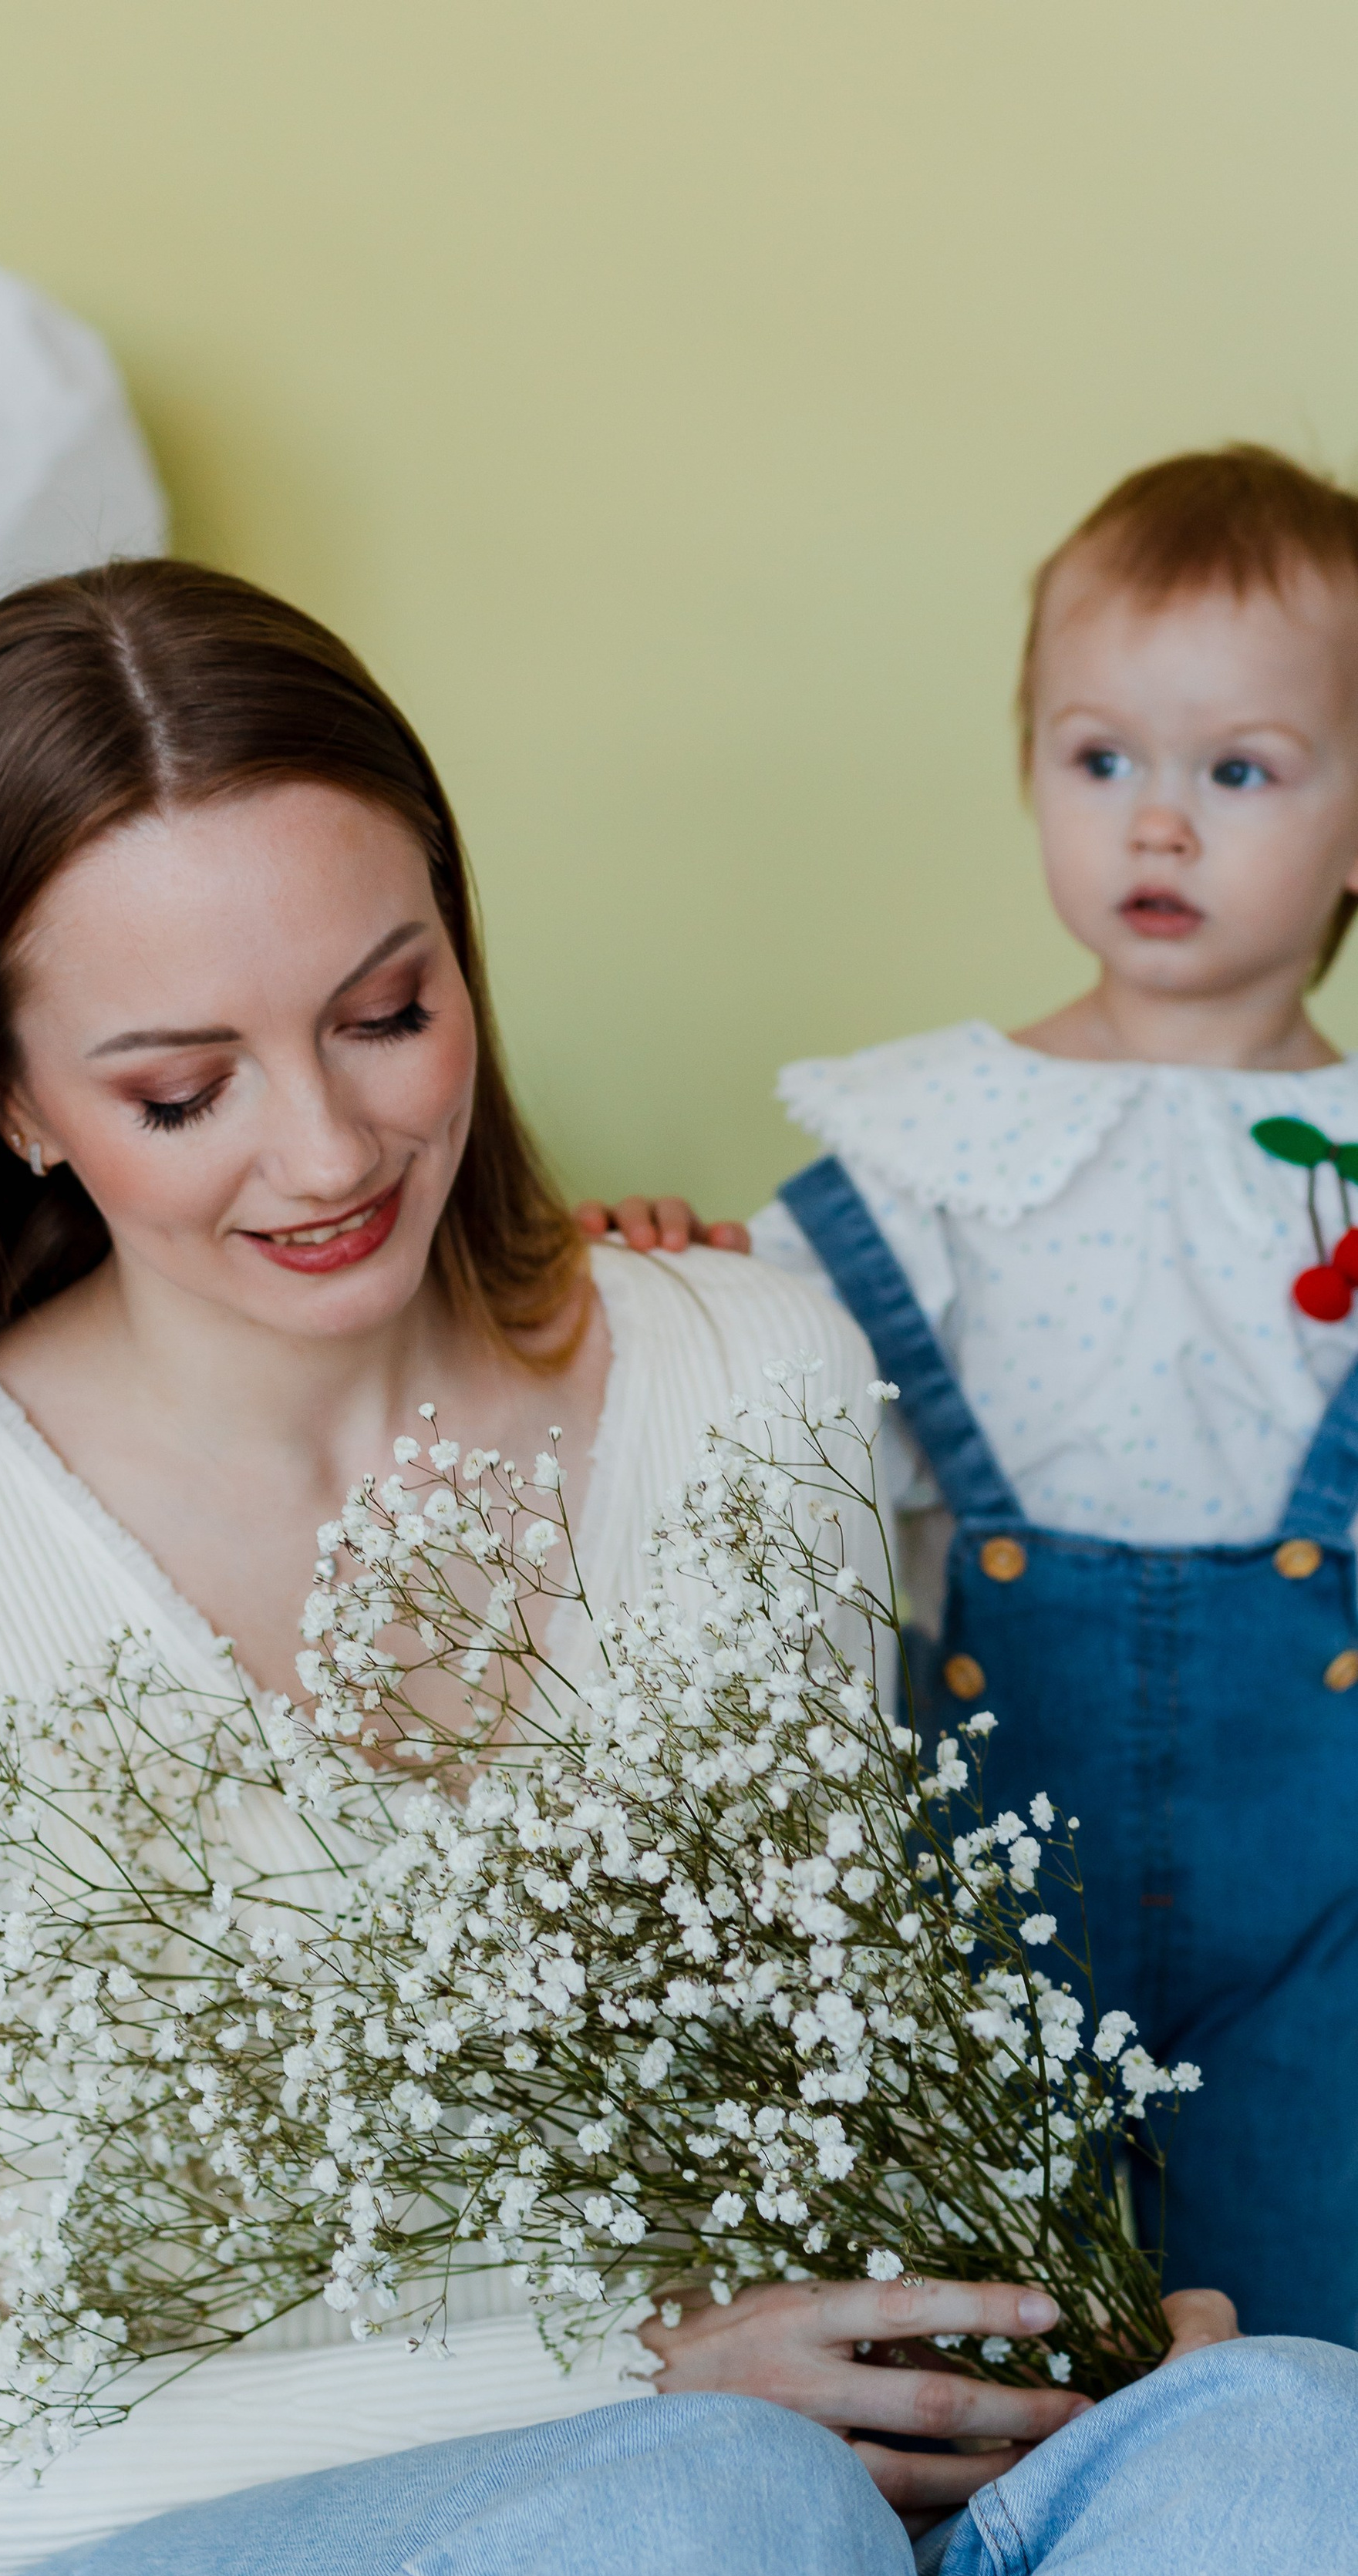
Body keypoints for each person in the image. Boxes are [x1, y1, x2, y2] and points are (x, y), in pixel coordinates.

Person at [0, 560, 1358, 2576]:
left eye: (386, 1010)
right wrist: (625, 2377)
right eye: (180, 1086)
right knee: (691, 2516)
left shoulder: (748, 1379)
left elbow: (799, 2143)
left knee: (1299, 2459)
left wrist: (1026, 2332)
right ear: (4, 1099)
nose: (330, 1144)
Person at [581, 446, 1358, 2346]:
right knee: (992, 2346)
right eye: (1099, 762)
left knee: (1307, 2354)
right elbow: (762, 1406)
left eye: (1234, 772)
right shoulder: (938, 1143)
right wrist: (662, 1294)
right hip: (992, 1886)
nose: (1155, 828)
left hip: (1324, 1928)